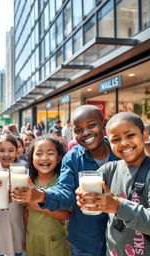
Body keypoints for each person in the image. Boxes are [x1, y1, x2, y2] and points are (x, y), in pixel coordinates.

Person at [12, 105, 119, 256]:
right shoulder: (73, 157)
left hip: (122, 240)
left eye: (91, 125)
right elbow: (64, 191)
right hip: (85, 242)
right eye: (78, 130)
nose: (85, 132)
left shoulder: (118, 151)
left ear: (103, 123)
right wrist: (42, 195)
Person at [76, 112, 150, 255]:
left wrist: (118, 206)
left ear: (144, 135)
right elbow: (87, 187)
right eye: (116, 139)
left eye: (130, 135)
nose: (123, 143)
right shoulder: (110, 169)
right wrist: (82, 194)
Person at [24, 135, 70, 256]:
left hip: (57, 241)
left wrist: (41, 206)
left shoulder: (63, 183)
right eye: (38, 154)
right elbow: (25, 212)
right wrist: (25, 235)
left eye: (50, 153)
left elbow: (68, 215)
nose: (44, 158)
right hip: (32, 239)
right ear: (31, 158)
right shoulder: (28, 182)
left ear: (59, 158)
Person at [0, 134, 24, 256]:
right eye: (2, 151)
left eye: (11, 150)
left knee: (17, 248)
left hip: (17, 220)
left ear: (17, 151)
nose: (6, 155)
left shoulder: (22, 171)